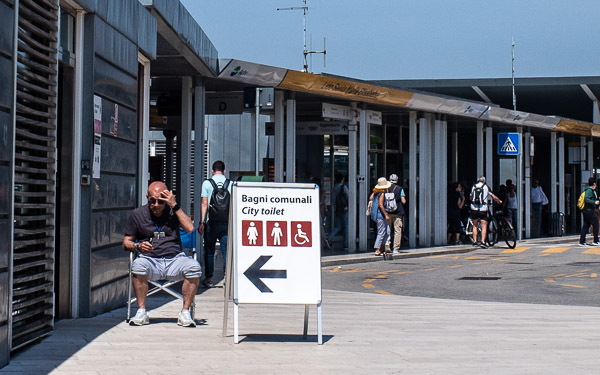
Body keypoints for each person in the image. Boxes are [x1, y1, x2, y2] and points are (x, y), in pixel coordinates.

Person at [123, 181, 201, 327]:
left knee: (194, 266)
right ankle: (141, 311)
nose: (157, 205)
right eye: (153, 201)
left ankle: (185, 312)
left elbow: (190, 228)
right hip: (150, 260)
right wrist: (137, 245)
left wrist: (174, 205)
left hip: (175, 259)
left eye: (161, 201)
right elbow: (126, 242)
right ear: (147, 197)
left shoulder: (174, 212)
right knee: (138, 265)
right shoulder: (137, 214)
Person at [197, 160, 231, 288]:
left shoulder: (207, 183)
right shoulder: (230, 184)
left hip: (211, 223)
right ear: (224, 171)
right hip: (226, 223)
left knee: (210, 251)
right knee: (226, 251)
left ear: (212, 171)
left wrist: (202, 222)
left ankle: (209, 279)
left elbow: (204, 203)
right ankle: (227, 278)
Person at [470, 176, 502, 248]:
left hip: (474, 208)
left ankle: (475, 242)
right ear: (484, 181)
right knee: (484, 225)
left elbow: (471, 197)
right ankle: (483, 242)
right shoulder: (486, 187)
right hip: (483, 209)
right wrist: (499, 201)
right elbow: (493, 196)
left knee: (475, 225)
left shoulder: (474, 186)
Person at [369, 177, 391, 256]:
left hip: (376, 215)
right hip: (380, 215)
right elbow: (381, 205)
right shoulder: (382, 193)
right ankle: (378, 249)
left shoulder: (376, 192)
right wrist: (386, 214)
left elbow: (370, 198)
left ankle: (382, 248)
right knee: (381, 232)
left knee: (387, 231)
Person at [387, 174, 406, 253]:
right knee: (397, 230)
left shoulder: (386, 189)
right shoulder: (400, 189)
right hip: (398, 212)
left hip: (387, 212)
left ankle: (387, 246)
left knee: (387, 230)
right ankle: (396, 248)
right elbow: (403, 201)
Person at [329, 174, 349, 248]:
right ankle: (346, 243)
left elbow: (333, 199)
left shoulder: (334, 187)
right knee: (346, 226)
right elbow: (349, 197)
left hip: (337, 209)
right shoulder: (344, 187)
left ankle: (329, 238)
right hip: (345, 209)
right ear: (342, 179)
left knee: (338, 226)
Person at [579, 177, 600, 247]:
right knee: (596, 223)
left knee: (586, 225)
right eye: (596, 184)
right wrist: (594, 202)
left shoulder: (590, 190)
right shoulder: (589, 191)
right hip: (589, 210)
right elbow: (586, 199)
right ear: (594, 184)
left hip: (587, 210)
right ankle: (596, 240)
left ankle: (582, 242)